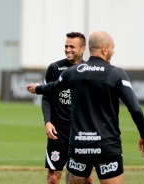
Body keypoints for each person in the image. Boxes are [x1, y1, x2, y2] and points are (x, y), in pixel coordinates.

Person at [27, 31, 144, 184]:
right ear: (105, 49)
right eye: (113, 47)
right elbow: (135, 108)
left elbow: (52, 88)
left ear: (86, 48)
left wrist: (37, 89)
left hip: (79, 144)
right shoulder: (116, 73)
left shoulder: (73, 72)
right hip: (107, 144)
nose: (114, 51)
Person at [41, 32, 93, 184]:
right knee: (53, 178)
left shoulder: (90, 70)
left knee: (87, 179)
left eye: (72, 47)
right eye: (66, 46)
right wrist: (47, 122)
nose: (68, 49)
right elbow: (46, 97)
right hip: (58, 132)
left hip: (82, 133)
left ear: (83, 49)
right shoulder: (55, 68)